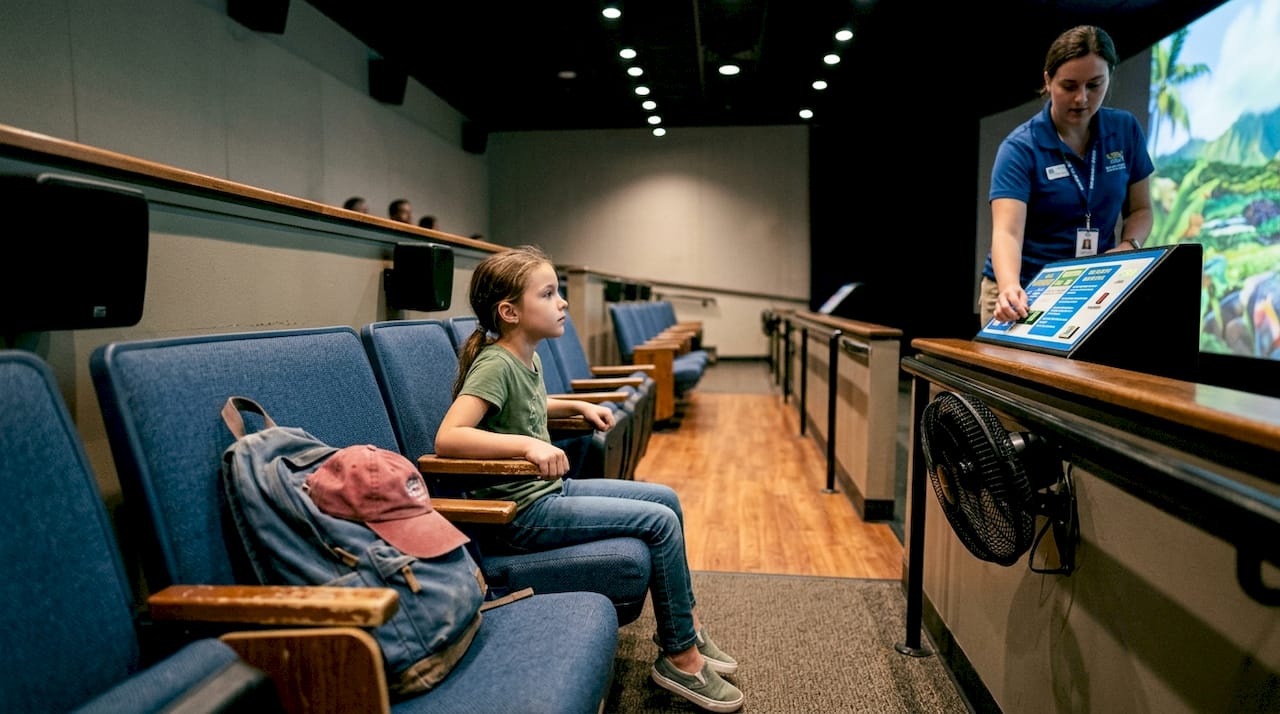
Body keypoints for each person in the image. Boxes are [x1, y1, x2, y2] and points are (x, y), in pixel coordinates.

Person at [434, 245, 743, 713]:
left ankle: (687, 627)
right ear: (510, 312)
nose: (562, 303)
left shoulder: (525, 356)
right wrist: (528, 446)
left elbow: (528, 405)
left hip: (549, 493)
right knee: (659, 524)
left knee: (666, 499)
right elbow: (449, 436)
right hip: (520, 515)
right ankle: (681, 658)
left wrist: (574, 405)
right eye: (548, 294)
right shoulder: (495, 363)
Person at [980, 25, 1154, 326]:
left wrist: (1129, 247)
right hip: (1024, 289)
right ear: (1048, 81)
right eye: (1069, 86)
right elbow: (1007, 233)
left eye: (1094, 85)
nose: (1081, 98)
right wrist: (1009, 286)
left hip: (1091, 288)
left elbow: (1141, 210)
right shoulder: (1021, 147)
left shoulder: (1124, 130)